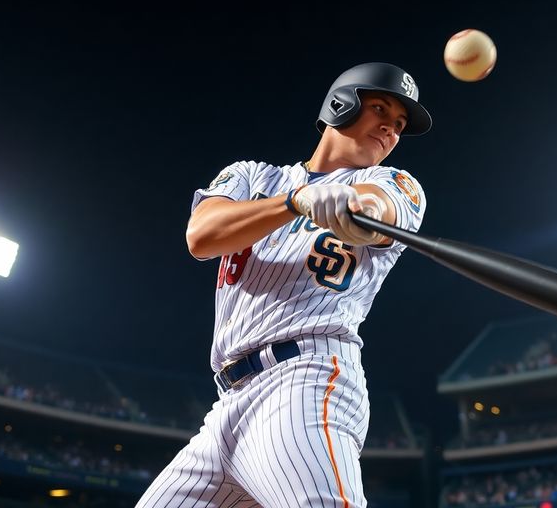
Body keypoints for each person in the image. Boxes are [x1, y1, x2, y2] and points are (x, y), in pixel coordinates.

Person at [136, 62, 431, 507]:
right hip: (226, 404)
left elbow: (378, 210)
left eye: (400, 124)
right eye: (380, 109)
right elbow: (202, 236)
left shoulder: (393, 182)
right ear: (340, 105)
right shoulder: (254, 177)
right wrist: (294, 202)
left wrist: (354, 207)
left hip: (305, 379)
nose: (391, 128)